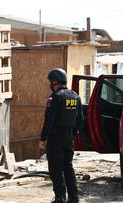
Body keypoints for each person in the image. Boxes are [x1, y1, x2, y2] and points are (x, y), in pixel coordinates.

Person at [39, 68, 83, 203]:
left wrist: (43, 138)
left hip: (56, 138)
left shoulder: (56, 97)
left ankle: (60, 198)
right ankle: (74, 198)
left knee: (56, 169)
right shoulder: (75, 96)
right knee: (68, 167)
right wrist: (73, 133)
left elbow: (49, 119)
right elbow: (80, 119)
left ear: (54, 82)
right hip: (69, 136)